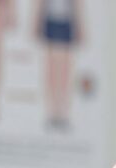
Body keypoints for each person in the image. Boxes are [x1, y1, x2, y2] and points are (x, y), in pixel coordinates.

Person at [35, 0, 85, 131]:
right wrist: (37, 22)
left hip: (66, 21)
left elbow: (77, 3)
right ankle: (52, 112)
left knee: (65, 70)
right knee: (51, 68)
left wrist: (80, 26)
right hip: (50, 19)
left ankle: (62, 113)